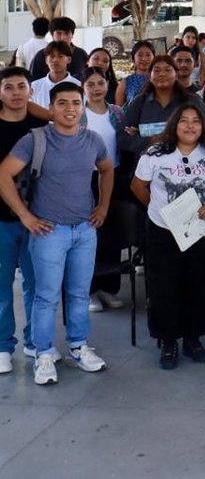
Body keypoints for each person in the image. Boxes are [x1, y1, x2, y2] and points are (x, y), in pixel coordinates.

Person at [0, 82, 113, 385]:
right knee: (46, 296)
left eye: (76, 103)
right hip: (50, 232)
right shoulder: (35, 140)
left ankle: (78, 346)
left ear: (83, 107)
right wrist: (26, 216)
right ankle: (43, 353)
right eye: (62, 103)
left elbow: (106, 169)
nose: (69, 109)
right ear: (50, 108)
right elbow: (3, 174)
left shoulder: (93, 140)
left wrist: (102, 206)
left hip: (85, 230)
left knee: (78, 294)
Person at [131, 105, 205, 369]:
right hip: (162, 230)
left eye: (196, 121)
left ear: (203, 126)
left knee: (199, 284)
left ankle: (193, 338)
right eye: (183, 121)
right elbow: (138, 186)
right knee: (163, 286)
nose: (190, 126)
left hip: (199, 231)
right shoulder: (155, 153)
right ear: (173, 124)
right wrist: (162, 211)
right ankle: (168, 342)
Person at [0, 67, 44, 373]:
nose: (16, 92)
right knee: (2, 285)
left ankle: (34, 340)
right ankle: (3, 345)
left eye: (21, 87)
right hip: (1, 219)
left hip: (37, 219)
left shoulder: (40, 125)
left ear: (30, 92)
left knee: (35, 283)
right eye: (9, 87)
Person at [81, 67, 126, 312]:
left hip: (114, 176)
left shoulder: (117, 113)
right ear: (83, 87)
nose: (97, 88)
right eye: (91, 84)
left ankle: (109, 288)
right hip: (85, 179)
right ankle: (90, 291)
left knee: (112, 234)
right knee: (89, 235)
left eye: (100, 83)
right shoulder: (78, 114)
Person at [120, 56, 205, 165]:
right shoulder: (139, 102)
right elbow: (122, 138)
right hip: (147, 170)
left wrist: (171, 138)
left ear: (176, 74)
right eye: (156, 70)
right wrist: (151, 140)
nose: (162, 74)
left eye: (167, 70)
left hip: (185, 168)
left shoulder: (192, 101)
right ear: (150, 75)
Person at [28, 17, 88, 81]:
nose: (63, 37)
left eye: (67, 33)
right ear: (52, 35)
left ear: (72, 35)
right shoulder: (41, 55)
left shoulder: (81, 54)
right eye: (59, 33)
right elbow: (33, 80)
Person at [30, 41, 81, 107]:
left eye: (60, 56)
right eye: (52, 56)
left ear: (69, 59)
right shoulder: (34, 87)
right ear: (46, 60)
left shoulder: (78, 86)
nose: (55, 60)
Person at [115, 40, 155, 107]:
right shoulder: (125, 83)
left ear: (154, 57)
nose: (144, 59)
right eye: (140, 55)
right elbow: (118, 113)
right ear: (133, 58)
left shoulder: (159, 80)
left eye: (148, 55)